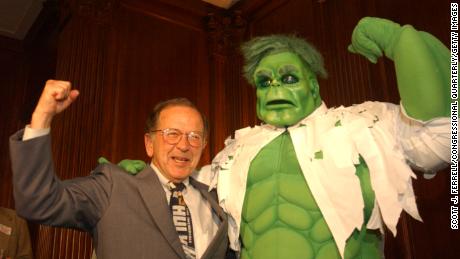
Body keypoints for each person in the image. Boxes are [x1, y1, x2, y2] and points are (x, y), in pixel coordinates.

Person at [204, 17, 450, 259]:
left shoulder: (362, 125)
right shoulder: (235, 151)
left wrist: (401, 39)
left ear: (313, 86)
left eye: (289, 78)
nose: (274, 88)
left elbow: (440, 136)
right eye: (264, 81)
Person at [9, 83, 230, 259]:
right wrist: (42, 117)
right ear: (149, 144)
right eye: (172, 133)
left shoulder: (219, 199)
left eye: (194, 137)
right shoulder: (113, 185)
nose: (183, 145)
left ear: (203, 146)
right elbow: (38, 201)